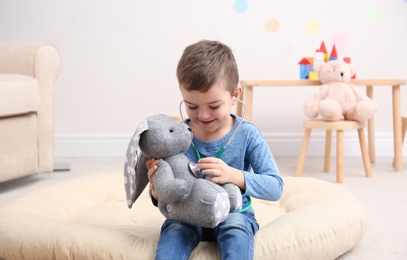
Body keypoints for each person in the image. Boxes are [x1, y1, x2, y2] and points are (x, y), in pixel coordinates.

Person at [146, 40, 284, 260]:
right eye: (192, 106)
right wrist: (156, 191)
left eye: (213, 106)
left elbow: (276, 186)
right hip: (187, 214)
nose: (203, 115)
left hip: (234, 213)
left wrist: (234, 176)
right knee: (174, 232)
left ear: (235, 95)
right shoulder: (176, 138)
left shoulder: (247, 134)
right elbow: (164, 195)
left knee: (237, 230)